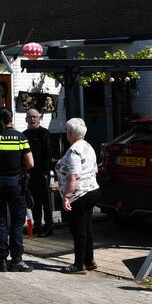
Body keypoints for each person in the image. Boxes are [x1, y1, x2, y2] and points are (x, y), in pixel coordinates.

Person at [0, 107, 34, 272]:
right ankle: (16, 260)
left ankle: (2, 260)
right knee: (17, 221)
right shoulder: (20, 138)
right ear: (12, 119)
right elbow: (31, 164)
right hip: (16, 183)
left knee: (0, 220)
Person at [55, 117, 101, 274]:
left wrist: (67, 196)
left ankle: (78, 265)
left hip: (80, 194)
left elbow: (75, 176)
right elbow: (95, 170)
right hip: (92, 190)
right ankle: (89, 261)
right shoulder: (88, 146)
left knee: (78, 229)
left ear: (70, 133)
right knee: (87, 227)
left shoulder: (74, 151)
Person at [23, 109, 53, 236]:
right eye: (30, 117)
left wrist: (46, 172)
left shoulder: (44, 133)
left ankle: (48, 227)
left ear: (39, 118)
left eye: (35, 117)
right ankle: (37, 225)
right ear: (26, 119)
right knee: (34, 201)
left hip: (42, 172)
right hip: (30, 172)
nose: (32, 119)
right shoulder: (24, 134)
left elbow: (48, 154)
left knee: (46, 201)